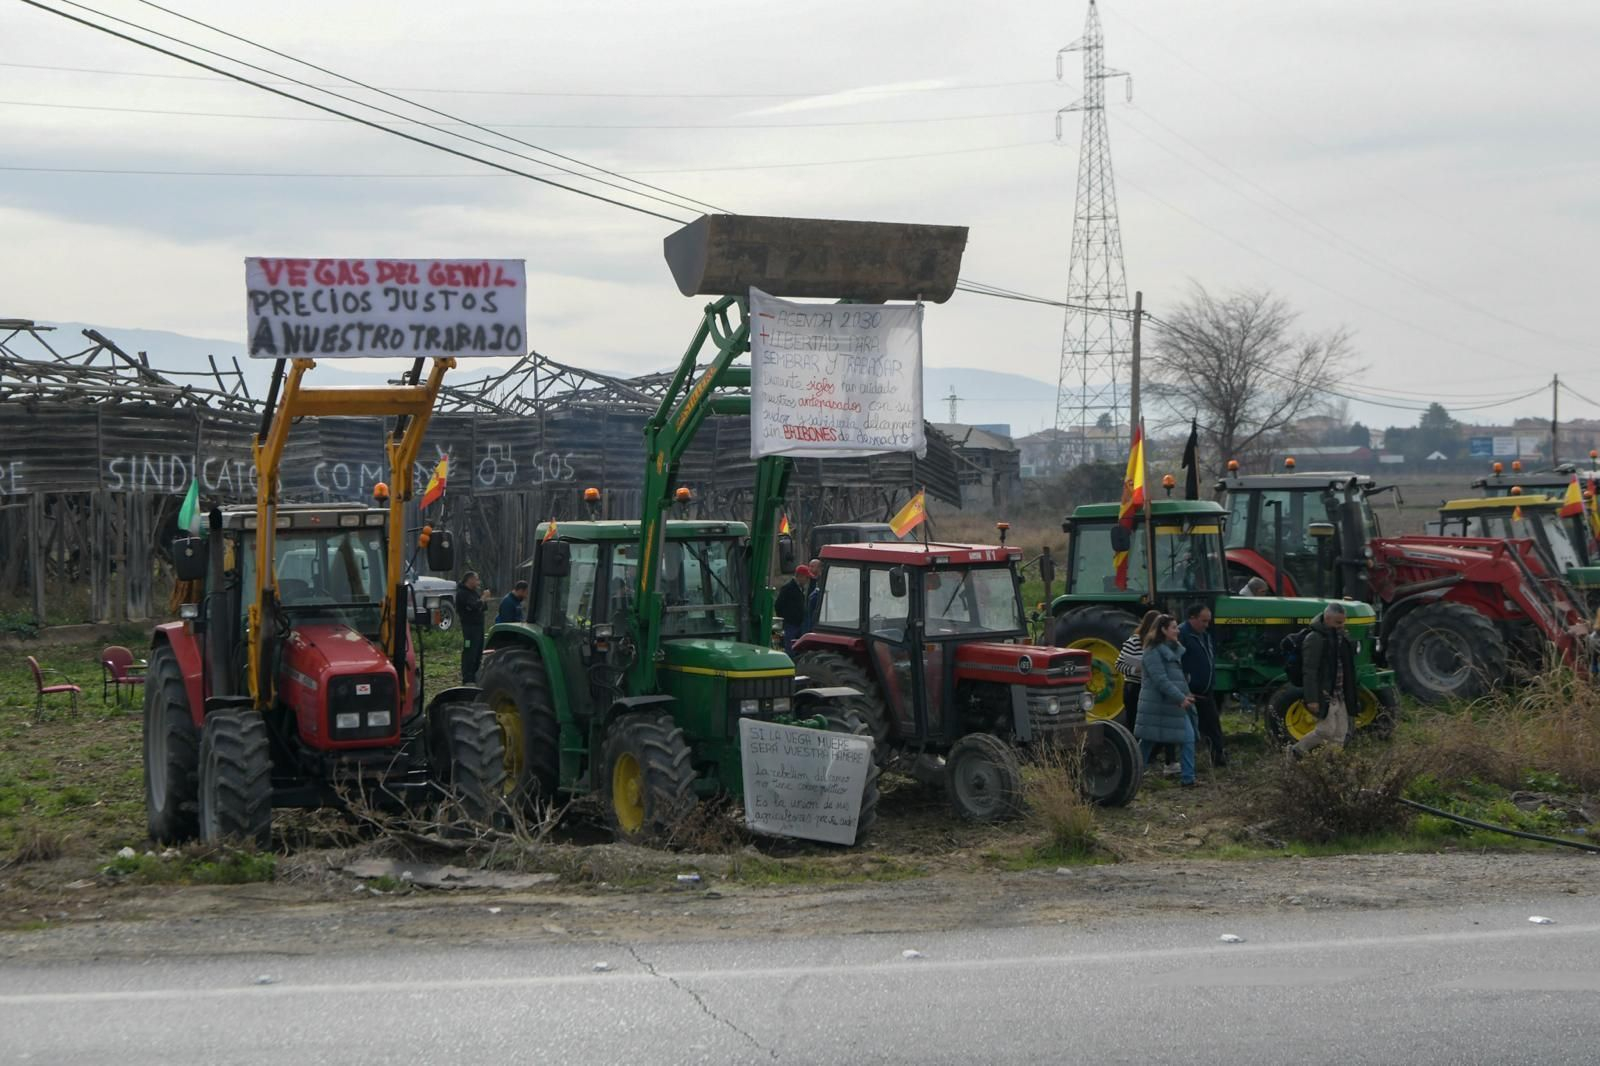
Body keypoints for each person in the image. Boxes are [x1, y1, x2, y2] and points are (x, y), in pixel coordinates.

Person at [1134, 614, 1197, 787]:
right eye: (1174, 627)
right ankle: (1132, 776)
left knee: (1188, 738)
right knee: (1147, 741)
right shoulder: (1152, 651)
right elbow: (1160, 680)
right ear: (1163, 630)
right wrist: (1180, 697)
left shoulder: (1174, 649)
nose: (1178, 630)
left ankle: (1188, 778)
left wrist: (1186, 692)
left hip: (1173, 703)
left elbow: (1176, 678)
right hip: (1157, 703)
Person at [1292, 602, 1359, 758]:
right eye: (1338, 622)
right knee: (1325, 730)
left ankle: (1328, 765)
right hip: (1325, 693)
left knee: (1341, 733)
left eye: (1343, 622)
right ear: (1327, 619)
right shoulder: (1314, 638)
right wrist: (1312, 699)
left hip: (1340, 693)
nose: (1341, 625)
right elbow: (1309, 670)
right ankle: (1297, 751)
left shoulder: (1341, 637)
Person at [1179, 603, 1227, 768]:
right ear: (1192, 618)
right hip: (1189, 691)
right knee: (1187, 730)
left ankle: (1219, 757)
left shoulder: (1204, 635)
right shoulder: (1181, 635)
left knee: (1213, 724)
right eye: (1203, 621)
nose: (1206, 625)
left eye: (1208, 621)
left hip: (1206, 689)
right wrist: (1185, 685)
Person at [1114, 609, 1161, 735]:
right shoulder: (1134, 641)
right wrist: (1136, 669)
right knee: (1135, 723)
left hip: (1152, 687)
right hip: (1135, 687)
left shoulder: (1159, 643)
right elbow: (1119, 665)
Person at [456, 571, 488, 684]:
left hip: (479, 627)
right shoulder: (462, 593)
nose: (478, 582)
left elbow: (482, 607)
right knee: (469, 650)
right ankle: (467, 677)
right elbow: (473, 606)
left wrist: (482, 601)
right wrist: (482, 599)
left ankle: (475, 675)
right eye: (476, 579)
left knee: (478, 651)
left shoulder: (474, 593)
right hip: (469, 629)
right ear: (469, 580)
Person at [775, 565, 813, 652]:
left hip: (798, 624)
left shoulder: (801, 588)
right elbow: (778, 605)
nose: (807, 580)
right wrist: (786, 618)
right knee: (790, 647)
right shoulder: (788, 588)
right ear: (800, 576)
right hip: (790, 624)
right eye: (806, 577)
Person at [805, 557, 824, 632]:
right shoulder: (807, 579)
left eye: (812, 566)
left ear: (819, 567)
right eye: (809, 566)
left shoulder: (821, 580)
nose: (809, 568)